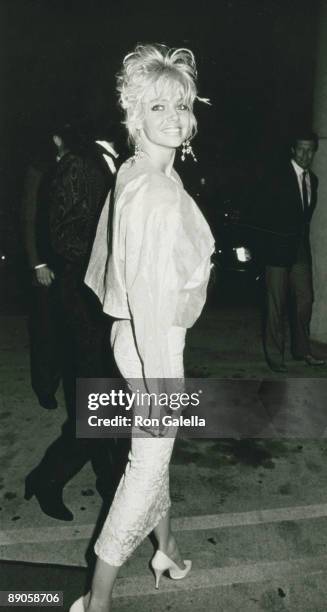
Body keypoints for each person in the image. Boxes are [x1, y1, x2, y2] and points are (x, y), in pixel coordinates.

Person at [70, 44, 215, 611]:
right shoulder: (154, 191)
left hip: (131, 338)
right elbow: (152, 301)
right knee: (147, 466)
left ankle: (168, 549)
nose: (175, 118)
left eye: (181, 105)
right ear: (133, 114)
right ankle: (97, 597)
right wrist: (164, 389)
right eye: (158, 108)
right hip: (153, 346)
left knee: (154, 462)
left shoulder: (139, 169)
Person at [24, 124, 128, 521]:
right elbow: (65, 237)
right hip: (86, 302)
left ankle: (110, 477)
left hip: (105, 299)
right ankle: (49, 477)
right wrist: (112, 260)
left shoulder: (115, 163)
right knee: (99, 401)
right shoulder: (79, 165)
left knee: (109, 398)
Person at [256, 131, 325, 373]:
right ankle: (276, 356)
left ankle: (302, 349)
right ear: (293, 150)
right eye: (301, 149)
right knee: (276, 305)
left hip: (299, 250)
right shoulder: (276, 177)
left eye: (310, 150)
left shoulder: (313, 180)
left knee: (305, 300)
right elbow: (260, 211)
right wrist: (264, 246)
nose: (306, 155)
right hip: (276, 250)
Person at [21, 144, 61, 410]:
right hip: (45, 266)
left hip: (69, 265)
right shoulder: (39, 169)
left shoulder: (76, 164)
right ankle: (45, 388)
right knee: (45, 331)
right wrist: (37, 263)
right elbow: (28, 218)